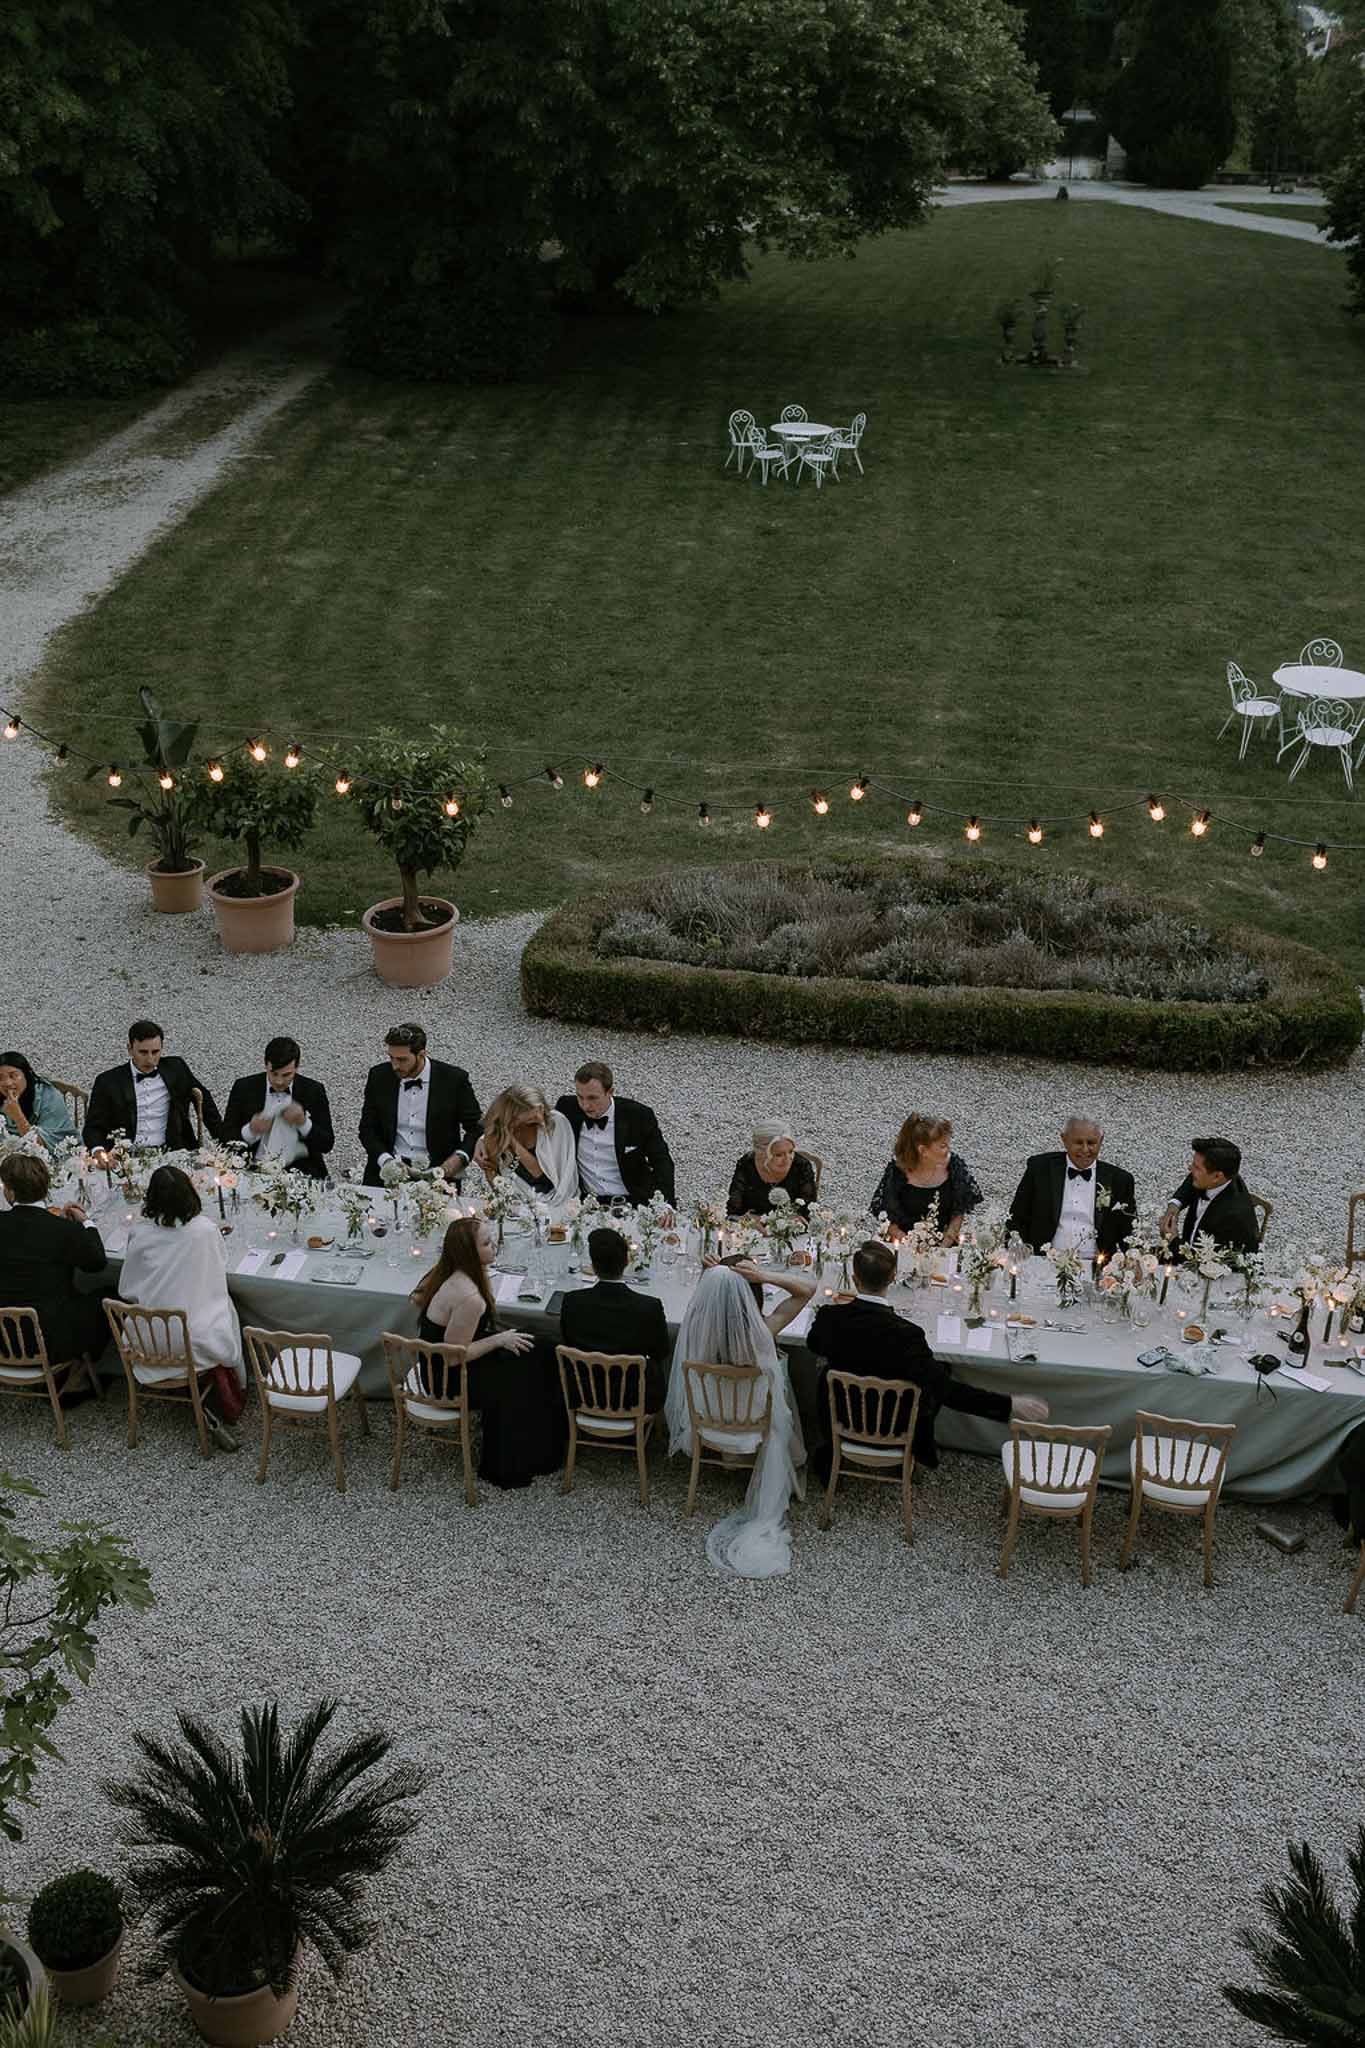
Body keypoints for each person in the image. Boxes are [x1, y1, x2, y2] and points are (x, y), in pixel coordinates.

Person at [808, 1241, 1048, 1472]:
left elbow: (813, 1344)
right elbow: (947, 1391)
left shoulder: (830, 1318)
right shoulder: (907, 1335)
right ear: (893, 1277)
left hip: (841, 1419)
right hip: (894, 1426)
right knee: (940, 1372)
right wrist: (1009, 1404)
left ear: (854, 1279)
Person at [664, 1262, 806, 1579]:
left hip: (709, 1423)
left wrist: (715, 1278)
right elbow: (806, 1290)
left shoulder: (696, 1328)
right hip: (754, 1425)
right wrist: (765, 1275)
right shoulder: (763, 1332)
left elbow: (706, 1301)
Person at [412, 1215, 566, 1488]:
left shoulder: (448, 1271)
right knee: (526, 1373)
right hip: (447, 1380)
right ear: (469, 1253)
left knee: (541, 1345)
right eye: (486, 1243)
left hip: (449, 1358)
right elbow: (453, 1356)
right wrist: (498, 1340)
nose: (494, 1246)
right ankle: (519, 1460)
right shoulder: (470, 1297)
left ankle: (550, 1438)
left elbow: (421, 1303)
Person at [118, 1165, 244, 1452]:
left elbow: (128, 1288)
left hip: (147, 1341)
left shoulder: (141, 1232)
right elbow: (218, 1270)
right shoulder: (205, 1230)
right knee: (225, 1304)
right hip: (192, 1340)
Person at [0, 1152, 109, 1366]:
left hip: (4, 1337)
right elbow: (97, 1263)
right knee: (109, 1296)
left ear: (10, 1192)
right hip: (50, 1341)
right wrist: (87, 1223)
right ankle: (86, 1369)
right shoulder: (63, 1231)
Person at [559, 1226, 670, 1410]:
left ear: (593, 1266)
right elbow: (662, 1352)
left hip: (585, 1395)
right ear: (627, 1261)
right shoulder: (649, 1307)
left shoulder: (572, 1301)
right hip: (634, 1399)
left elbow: (567, 1341)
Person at [358, 1023, 481, 1186]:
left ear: (422, 1054)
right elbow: (367, 1129)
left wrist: (460, 1158)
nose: (394, 1066)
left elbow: (476, 1127)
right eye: (391, 1057)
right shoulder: (379, 1076)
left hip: (439, 1175)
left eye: (402, 1060)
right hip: (386, 1172)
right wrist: (386, 1161)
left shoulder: (454, 1080)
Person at [83, 1020, 222, 1153]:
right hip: (125, 1154)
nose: (150, 1059)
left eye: (155, 1052)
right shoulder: (108, 1081)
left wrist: (223, 1141)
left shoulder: (176, 1068)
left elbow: (205, 1102)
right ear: (130, 1049)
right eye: (143, 1052)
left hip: (172, 1150)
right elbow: (93, 1127)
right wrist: (98, 1150)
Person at [1008, 1117, 1136, 1259]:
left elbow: (1128, 1229)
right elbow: (1017, 1217)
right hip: (1044, 1260)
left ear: (1101, 1140)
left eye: (1091, 1143)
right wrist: (1019, 1248)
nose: (1085, 1149)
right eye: (1078, 1142)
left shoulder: (1119, 1180)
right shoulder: (1040, 1169)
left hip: (1097, 1263)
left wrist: (1134, 1258)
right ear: (1064, 1140)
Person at [555, 1061, 676, 1206]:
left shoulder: (638, 1116)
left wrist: (665, 1204)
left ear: (610, 1092)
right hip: (586, 1203)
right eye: (580, 1097)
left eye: (593, 1098)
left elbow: (661, 1161)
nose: (585, 1105)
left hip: (633, 1201)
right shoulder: (566, 1107)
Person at [224, 1037, 334, 1180]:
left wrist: (303, 1123)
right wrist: (250, 1130)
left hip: (301, 1172)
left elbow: (327, 1144)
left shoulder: (313, 1090)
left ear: (297, 1067)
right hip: (251, 1170)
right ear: (265, 1064)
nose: (279, 1081)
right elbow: (225, 1138)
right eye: (273, 1073)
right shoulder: (243, 1087)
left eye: (286, 1075)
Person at [870, 1115, 981, 1244]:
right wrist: (911, 1246)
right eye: (942, 1146)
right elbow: (889, 1220)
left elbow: (958, 1211)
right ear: (923, 1150)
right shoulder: (898, 1172)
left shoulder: (954, 1167)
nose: (948, 1150)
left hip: (944, 1245)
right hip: (904, 1245)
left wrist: (944, 1246)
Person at [474, 1085, 578, 1217]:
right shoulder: (495, 1136)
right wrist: (509, 1206)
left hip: (557, 1198)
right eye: (531, 1117)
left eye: (541, 1109)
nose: (540, 1117)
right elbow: (493, 1176)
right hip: (517, 1207)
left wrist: (513, 1142)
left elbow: (542, 1178)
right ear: (513, 1117)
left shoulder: (555, 1122)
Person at [1161, 1137, 1261, 1256]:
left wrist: (1172, 1239)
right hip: (1190, 1248)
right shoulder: (1222, 1175)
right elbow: (1190, 1182)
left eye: (1197, 1167)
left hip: (1208, 1263)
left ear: (1217, 1176)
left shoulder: (1233, 1218)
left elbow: (1201, 1262)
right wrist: (1174, 1205)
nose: (1190, 1169)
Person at [726, 1124, 817, 1217]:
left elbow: (808, 1206)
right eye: (779, 1155)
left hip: (790, 1222)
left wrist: (793, 1219)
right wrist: (746, 1219)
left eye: (790, 1151)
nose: (788, 1159)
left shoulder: (801, 1165)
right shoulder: (747, 1164)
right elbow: (734, 1208)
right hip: (751, 1223)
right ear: (760, 1154)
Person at [0, 1052, 78, 1153]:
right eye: (0, 1078)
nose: (7, 1083)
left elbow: (43, 1146)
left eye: (13, 1076)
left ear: (26, 1075)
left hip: (48, 1155)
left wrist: (17, 1115)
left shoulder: (49, 1097)